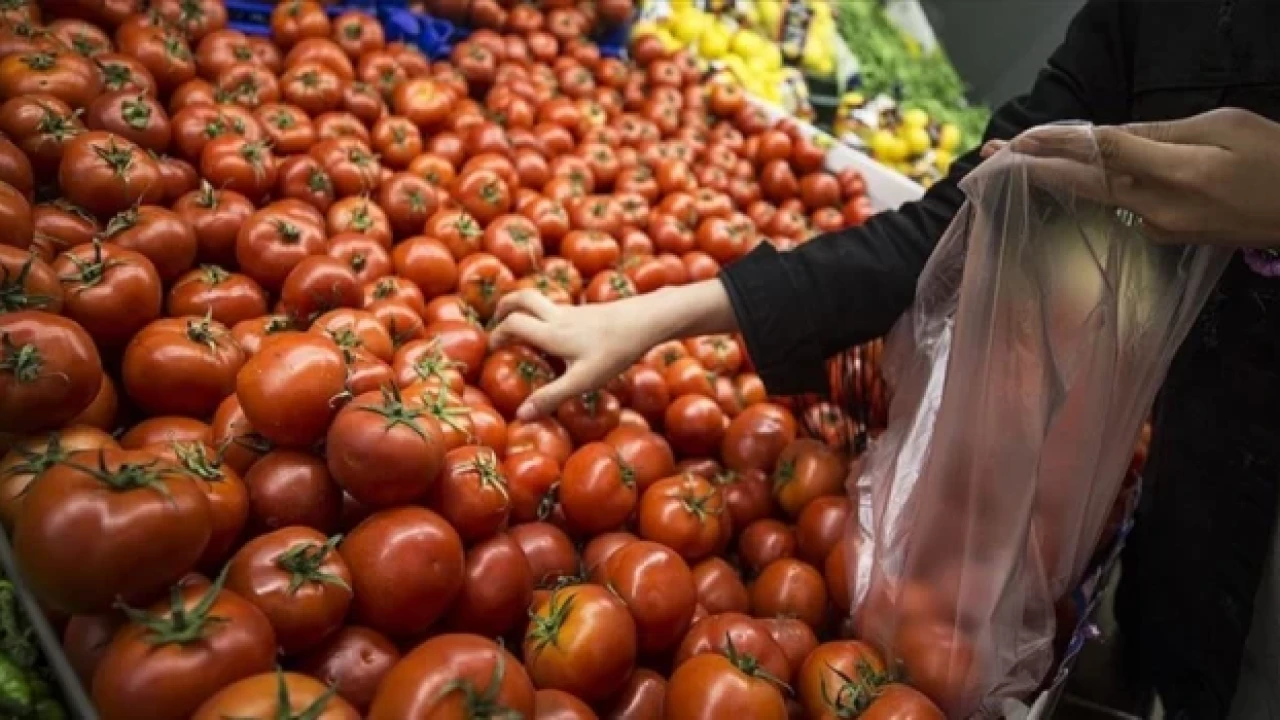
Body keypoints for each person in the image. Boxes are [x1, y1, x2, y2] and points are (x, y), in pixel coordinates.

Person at [489, 2, 1280, 718]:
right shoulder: (1154, 15)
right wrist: (659, 314)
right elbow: (960, 215)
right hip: (1193, 482)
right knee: (1174, 656)